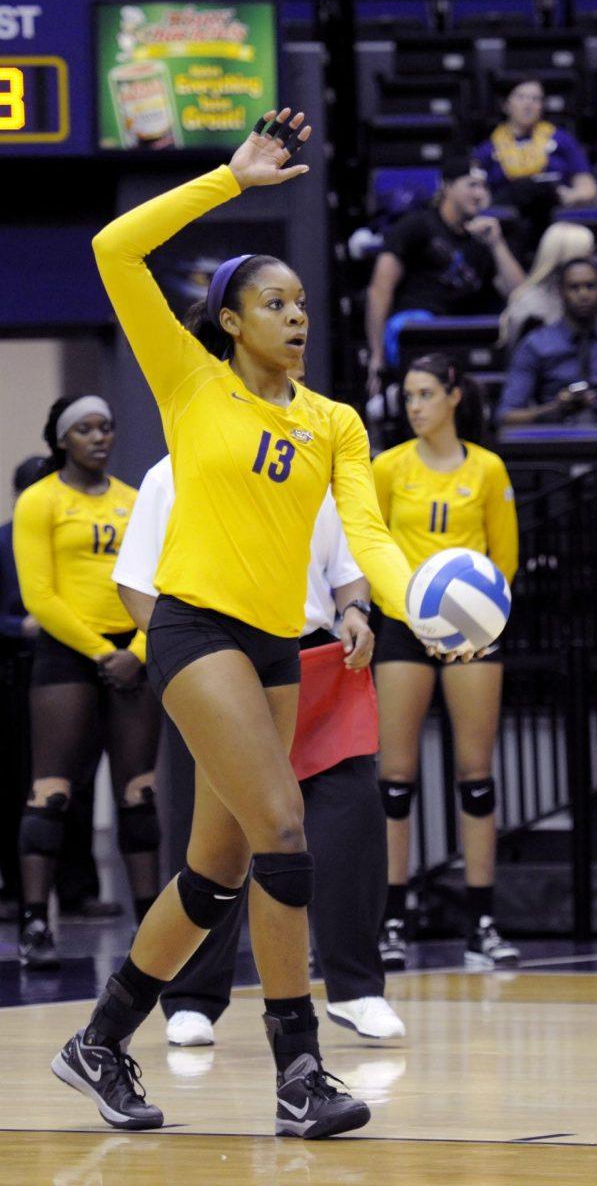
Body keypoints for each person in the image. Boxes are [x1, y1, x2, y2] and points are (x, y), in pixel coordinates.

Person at [49, 107, 429, 1139]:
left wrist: (421, 605)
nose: (297, 317)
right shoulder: (190, 386)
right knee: (283, 832)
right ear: (231, 320)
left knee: (214, 873)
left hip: (276, 647)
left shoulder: (334, 423)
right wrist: (229, 179)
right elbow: (112, 248)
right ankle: (299, 1070)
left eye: (302, 303)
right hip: (191, 631)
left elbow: (367, 537)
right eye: (275, 303)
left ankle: (96, 1043)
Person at [113, 456, 405, 1043]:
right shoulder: (171, 472)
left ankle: (356, 990)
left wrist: (354, 611)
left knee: (350, 817)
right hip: (219, 669)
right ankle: (192, 998)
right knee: (223, 843)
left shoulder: (315, 459)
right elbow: (136, 584)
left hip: (316, 659)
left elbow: (348, 566)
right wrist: (186, 662)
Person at [372, 353, 520, 971]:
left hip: (473, 634)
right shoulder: (386, 468)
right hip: (404, 628)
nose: (414, 406)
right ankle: (392, 922)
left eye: (426, 393)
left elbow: (503, 561)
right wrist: (412, 618)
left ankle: (481, 922)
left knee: (475, 776)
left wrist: (470, 625)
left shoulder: (487, 469)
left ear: (454, 396)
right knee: (395, 780)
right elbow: (370, 547)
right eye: (408, 395)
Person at [12, 396, 161, 970]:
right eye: (85, 429)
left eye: (106, 426)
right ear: (61, 440)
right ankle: (34, 923)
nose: (99, 437)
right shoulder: (40, 501)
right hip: (70, 655)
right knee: (51, 790)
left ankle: (151, 926)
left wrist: (140, 650)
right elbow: (40, 596)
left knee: (138, 792)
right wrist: (104, 653)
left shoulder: (136, 500)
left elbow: (160, 580)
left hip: (134, 649)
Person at [365, 157, 524, 396]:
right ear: (447, 186)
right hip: (417, 326)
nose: (480, 194)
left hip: (460, 334)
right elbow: (380, 289)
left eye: (484, 187)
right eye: (472, 185)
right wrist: (376, 357)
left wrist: (496, 244)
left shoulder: (484, 239)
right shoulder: (417, 225)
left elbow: (520, 295)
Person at [497, 257, 597, 453]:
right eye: (574, 287)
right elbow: (506, 416)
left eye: (590, 286)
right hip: (554, 429)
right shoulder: (535, 343)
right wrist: (554, 409)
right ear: (560, 292)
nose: (583, 294)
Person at [0, 457, 47, 920]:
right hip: (15, 674)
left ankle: (78, 888)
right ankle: (15, 889)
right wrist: (20, 626)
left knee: (71, 784)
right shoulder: (2, 540)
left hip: (62, 666)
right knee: (16, 783)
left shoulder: (64, 536)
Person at [473, 80, 597, 250]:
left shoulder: (562, 140)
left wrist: (568, 196)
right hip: (506, 224)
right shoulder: (488, 149)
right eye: (521, 97)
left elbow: (588, 188)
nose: (528, 104)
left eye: (535, 99)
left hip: (552, 215)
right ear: (506, 105)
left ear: (542, 106)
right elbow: (476, 192)